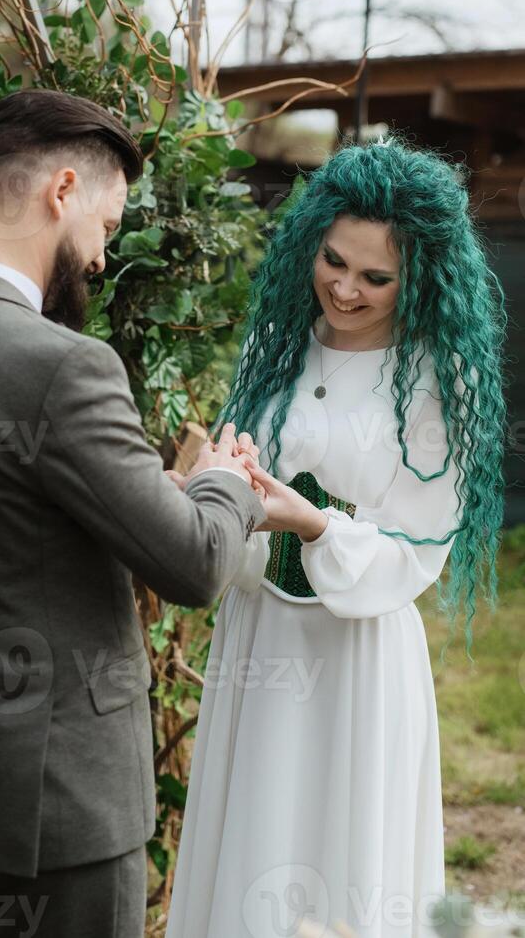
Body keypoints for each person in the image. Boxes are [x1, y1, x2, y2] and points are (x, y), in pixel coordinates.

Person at [0, 88, 268, 937]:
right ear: (61, 191)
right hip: (64, 818)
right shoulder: (62, 368)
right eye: (107, 226)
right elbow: (195, 564)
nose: (98, 257)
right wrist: (223, 481)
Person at [165, 137, 507, 938]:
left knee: (343, 872)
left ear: (418, 277)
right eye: (333, 261)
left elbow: (416, 553)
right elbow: (245, 513)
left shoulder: (436, 379)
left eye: (375, 277)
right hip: (260, 638)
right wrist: (228, 488)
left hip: (355, 655)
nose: (345, 290)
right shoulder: (275, 348)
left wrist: (315, 524)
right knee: (250, 841)